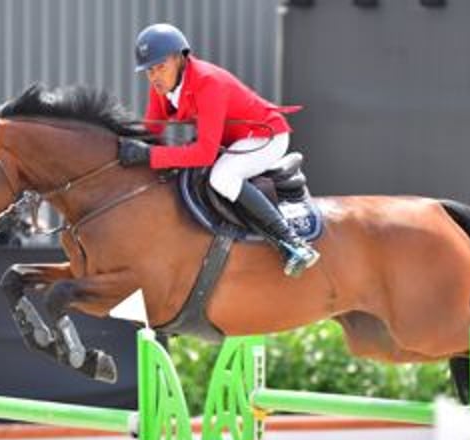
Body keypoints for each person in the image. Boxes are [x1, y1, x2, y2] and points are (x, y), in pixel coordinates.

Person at [117, 23, 320, 278]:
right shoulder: (162, 88)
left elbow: (204, 153)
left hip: (264, 137)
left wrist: (149, 155)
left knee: (222, 177)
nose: (155, 76)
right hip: (232, 140)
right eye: (149, 70)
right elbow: (150, 131)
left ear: (180, 58)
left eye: (160, 67)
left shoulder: (208, 82)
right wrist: (122, 147)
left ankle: (292, 243)